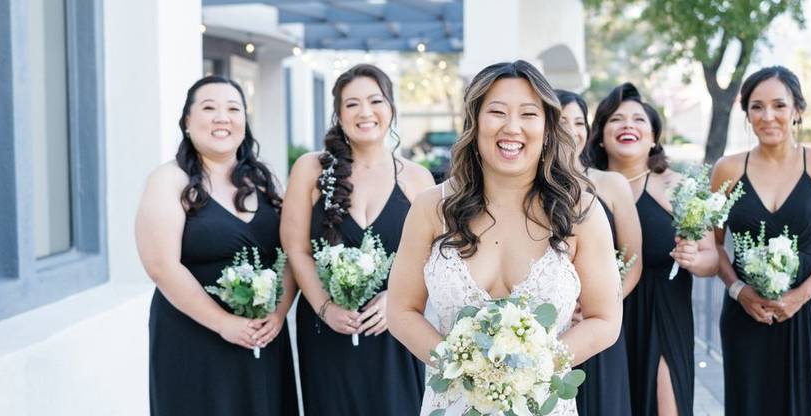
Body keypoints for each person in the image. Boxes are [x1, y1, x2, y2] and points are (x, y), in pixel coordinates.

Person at [388, 60, 623, 416]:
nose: (512, 127)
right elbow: (401, 311)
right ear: (475, 122)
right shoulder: (431, 207)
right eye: (497, 112)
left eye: (528, 114)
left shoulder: (581, 211)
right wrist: (465, 367)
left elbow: (605, 319)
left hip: (542, 404)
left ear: (546, 127)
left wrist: (536, 365)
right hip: (453, 403)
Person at [137, 75, 298, 416]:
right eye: (209, 108)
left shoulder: (266, 180)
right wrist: (223, 324)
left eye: (233, 108)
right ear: (187, 122)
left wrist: (278, 313)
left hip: (263, 336)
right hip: (194, 336)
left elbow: (290, 254)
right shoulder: (169, 180)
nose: (222, 117)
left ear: (244, 121)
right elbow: (161, 266)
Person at [280, 64, 435, 416]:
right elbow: (296, 249)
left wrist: (397, 300)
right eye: (352, 104)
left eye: (375, 100)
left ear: (391, 108)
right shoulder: (311, 169)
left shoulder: (417, 178)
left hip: (395, 332)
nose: (365, 112)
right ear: (338, 114)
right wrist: (325, 307)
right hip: (327, 332)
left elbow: (434, 258)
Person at [713, 66, 811, 415]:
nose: (768, 116)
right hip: (747, 313)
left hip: (807, 311)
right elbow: (713, 245)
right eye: (757, 107)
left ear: (797, 110)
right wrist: (738, 291)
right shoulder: (727, 170)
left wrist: (800, 296)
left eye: (779, 105)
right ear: (746, 114)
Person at [589, 83, 718, 416]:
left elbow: (712, 259)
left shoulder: (676, 186)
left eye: (638, 120)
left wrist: (695, 257)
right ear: (601, 135)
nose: (628, 125)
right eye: (616, 119)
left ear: (653, 136)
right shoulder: (585, 187)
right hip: (600, 318)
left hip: (664, 315)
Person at [557, 89, 642, 416]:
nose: (573, 130)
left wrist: (599, 305)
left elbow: (632, 260)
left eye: (580, 122)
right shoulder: (531, 187)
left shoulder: (611, 184)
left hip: (600, 325)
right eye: (563, 121)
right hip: (552, 328)